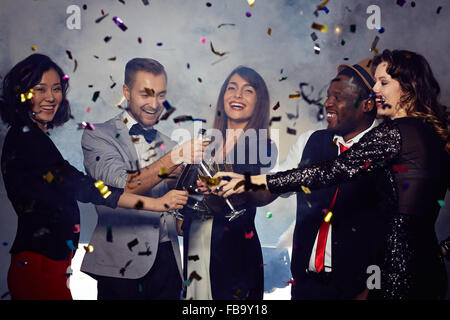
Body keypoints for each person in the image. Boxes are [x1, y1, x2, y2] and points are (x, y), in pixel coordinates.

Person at [217, 49, 450, 299]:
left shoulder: (394, 133)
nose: (376, 89)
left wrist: (255, 180)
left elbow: (332, 171)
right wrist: (438, 251)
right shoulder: (434, 135)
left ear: (408, 87)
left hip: (393, 280)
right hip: (425, 274)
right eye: (375, 82)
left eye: (383, 82)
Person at [0, 54, 188, 300]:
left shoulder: (32, 138)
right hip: (41, 263)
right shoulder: (30, 139)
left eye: (56, 89)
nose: (50, 97)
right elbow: (89, 188)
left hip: (53, 263)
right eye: (40, 89)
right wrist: (158, 202)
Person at [218, 59, 385, 299]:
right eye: (328, 96)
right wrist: (239, 186)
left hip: (360, 288)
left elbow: (395, 227)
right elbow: (272, 188)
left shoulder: (385, 147)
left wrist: (371, 290)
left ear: (367, 104)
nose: (327, 103)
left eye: (338, 97)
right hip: (306, 285)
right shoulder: (310, 141)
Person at [80, 58, 205, 300]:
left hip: (167, 261)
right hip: (120, 266)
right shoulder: (97, 135)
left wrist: (190, 184)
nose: (155, 104)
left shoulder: (168, 143)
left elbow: (173, 199)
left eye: (160, 95)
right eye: (146, 94)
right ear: (126, 92)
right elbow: (121, 184)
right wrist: (175, 157)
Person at [182, 66, 277, 300]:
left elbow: (245, 198)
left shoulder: (262, 146)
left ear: (260, 102)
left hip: (234, 256)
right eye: (231, 88)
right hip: (196, 245)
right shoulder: (205, 143)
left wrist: (215, 191)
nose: (237, 95)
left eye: (247, 90)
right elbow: (186, 193)